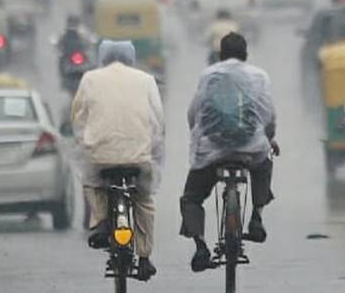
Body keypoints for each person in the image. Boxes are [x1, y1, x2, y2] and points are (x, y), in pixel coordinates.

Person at [181, 33, 278, 273]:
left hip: (211, 151)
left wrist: (199, 136)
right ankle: (256, 216)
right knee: (264, 165)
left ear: (221, 54)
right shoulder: (258, 76)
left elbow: (194, 113)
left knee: (191, 198)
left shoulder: (208, 75)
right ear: (246, 53)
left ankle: (201, 246)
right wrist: (269, 137)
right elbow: (268, 114)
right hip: (251, 148)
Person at [71, 40, 165, 282]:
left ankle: (102, 221)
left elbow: (78, 120)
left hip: (100, 158)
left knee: (91, 182)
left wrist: (87, 144)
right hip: (139, 157)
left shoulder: (90, 79)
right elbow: (158, 123)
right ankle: (144, 257)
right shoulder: (146, 80)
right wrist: (152, 151)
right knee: (144, 199)